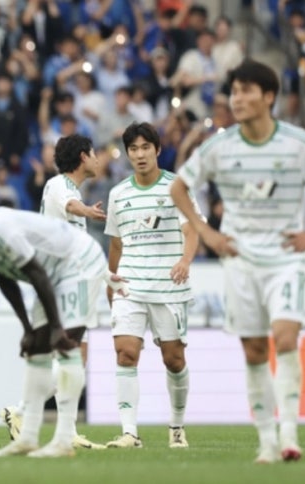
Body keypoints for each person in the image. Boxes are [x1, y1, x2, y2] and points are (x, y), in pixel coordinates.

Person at [170, 59, 305, 463]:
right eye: (235, 91)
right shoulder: (220, 146)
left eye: (247, 91)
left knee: (285, 338)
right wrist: (206, 232)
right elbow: (178, 188)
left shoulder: (298, 143)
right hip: (240, 259)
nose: (237, 99)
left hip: (287, 258)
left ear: (269, 97)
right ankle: (266, 441)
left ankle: (289, 434)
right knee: (253, 350)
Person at [0, 207, 128, 458]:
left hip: (78, 262)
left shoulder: (2, 234)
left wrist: (57, 327)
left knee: (67, 342)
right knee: (37, 347)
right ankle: (27, 438)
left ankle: (63, 441)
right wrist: (27, 329)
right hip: (52, 274)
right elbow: (5, 280)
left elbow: (36, 274)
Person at [0, 134, 107, 450]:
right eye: (94, 153)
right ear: (83, 157)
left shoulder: (68, 187)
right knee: (72, 353)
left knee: (75, 356)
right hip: (64, 282)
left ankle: (67, 430)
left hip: (73, 278)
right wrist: (87, 211)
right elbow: (71, 206)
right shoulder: (59, 185)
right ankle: (20, 410)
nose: (98, 159)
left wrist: (107, 275)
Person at [103, 122, 200, 450]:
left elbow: (192, 231)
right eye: (134, 149)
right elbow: (116, 243)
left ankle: (177, 426)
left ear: (157, 150)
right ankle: (130, 432)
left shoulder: (177, 188)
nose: (140, 154)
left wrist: (185, 260)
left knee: (174, 360)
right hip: (130, 285)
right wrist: (111, 279)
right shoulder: (118, 194)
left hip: (169, 287)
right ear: (127, 154)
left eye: (146, 147)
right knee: (125, 353)